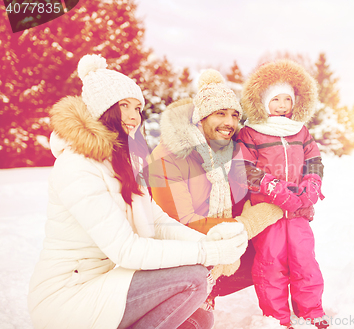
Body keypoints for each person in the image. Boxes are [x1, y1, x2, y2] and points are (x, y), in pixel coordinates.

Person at [27, 54, 249, 329]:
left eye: (137, 107)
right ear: (102, 109)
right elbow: (126, 250)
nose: (134, 116)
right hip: (69, 294)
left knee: (201, 319)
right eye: (124, 106)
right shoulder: (77, 167)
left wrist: (209, 243)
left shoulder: (125, 163)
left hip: (109, 281)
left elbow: (157, 222)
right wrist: (207, 255)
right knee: (194, 278)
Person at [147, 69, 283, 306]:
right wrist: (247, 224)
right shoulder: (168, 156)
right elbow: (179, 224)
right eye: (220, 114)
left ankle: (210, 287)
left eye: (234, 115)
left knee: (281, 243)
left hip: (215, 241)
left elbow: (249, 196)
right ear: (200, 118)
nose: (229, 123)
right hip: (177, 252)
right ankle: (190, 293)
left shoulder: (230, 154)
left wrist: (287, 199)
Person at [236, 59, 329, 329]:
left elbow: (314, 160)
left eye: (287, 99)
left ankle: (311, 311)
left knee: (305, 260)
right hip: (268, 211)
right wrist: (274, 188)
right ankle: (276, 318)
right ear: (264, 102)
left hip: (299, 209)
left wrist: (312, 185)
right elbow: (244, 168)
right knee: (271, 264)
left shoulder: (300, 130)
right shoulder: (251, 132)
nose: (282, 105)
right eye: (275, 99)